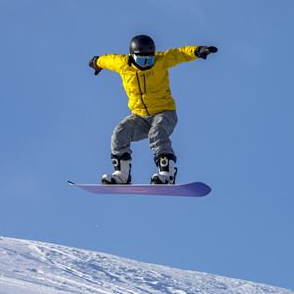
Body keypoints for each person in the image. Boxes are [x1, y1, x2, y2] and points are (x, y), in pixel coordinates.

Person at [88, 35, 217, 185]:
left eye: (149, 60)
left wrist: (197, 51)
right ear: (132, 56)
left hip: (165, 112)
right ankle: (122, 174)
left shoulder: (160, 61)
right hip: (140, 117)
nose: (145, 65)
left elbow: (179, 54)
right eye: (141, 61)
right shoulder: (122, 63)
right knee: (120, 132)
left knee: (157, 133)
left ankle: (166, 175)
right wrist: (96, 62)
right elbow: (107, 60)